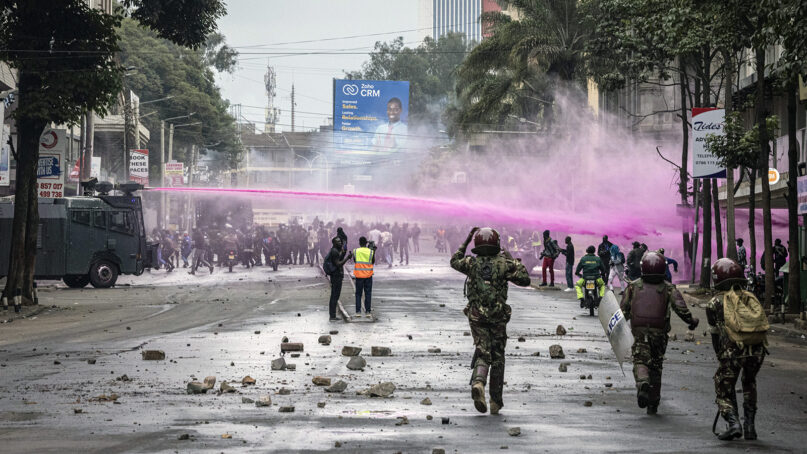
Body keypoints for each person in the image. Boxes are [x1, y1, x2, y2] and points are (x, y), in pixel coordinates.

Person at [450, 227, 530, 415]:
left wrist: (467, 239)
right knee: (498, 357)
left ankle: (478, 382)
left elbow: (454, 261)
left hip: (477, 316)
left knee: (483, 352)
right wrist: (512, 259)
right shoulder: (504, 264)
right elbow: (525, 279)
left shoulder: (472, 263)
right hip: (498, 317)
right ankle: (495, 401)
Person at [620, 251, 699, 415]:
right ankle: (653, 403)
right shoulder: (668, 288)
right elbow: (681, 309)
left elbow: (623, 311)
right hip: (659, 334)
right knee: (656, 366)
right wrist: (692, 322)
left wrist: (619, 328)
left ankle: (642, 381)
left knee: (640, 360)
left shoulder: (633, 286)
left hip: (639, 332)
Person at [706, 258, 768, 441]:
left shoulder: (714, 303)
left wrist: (720, 355)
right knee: (749, 382)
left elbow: (715, 334)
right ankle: (750, 426)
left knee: (723, 386)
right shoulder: (750, 298)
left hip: (732, 352)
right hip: (757, 351)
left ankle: (733, 423)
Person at [325, 237, 353, 321]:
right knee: (335, 295)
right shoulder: (334, 251)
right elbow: (338, 264)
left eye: (340, 241)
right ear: (333, 243)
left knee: (335, 295)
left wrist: (344, 252)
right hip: (336, 275)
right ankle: (332, 316)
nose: (340, 243)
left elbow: (339, 258)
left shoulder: (335, 250)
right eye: (338, 242)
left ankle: (332, 315)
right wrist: (347, 258)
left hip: (336, 275)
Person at [352, 236, 376, 318]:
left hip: (359, 275)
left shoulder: (355, 251)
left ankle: (358, 312)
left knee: (358, 294)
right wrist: (373, 251)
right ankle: (368, 311)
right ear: (366, 243)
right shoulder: (371, 251)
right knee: (368, 293)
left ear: (359, 243)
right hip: (368, 275)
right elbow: (372, 262)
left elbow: (355, 261)